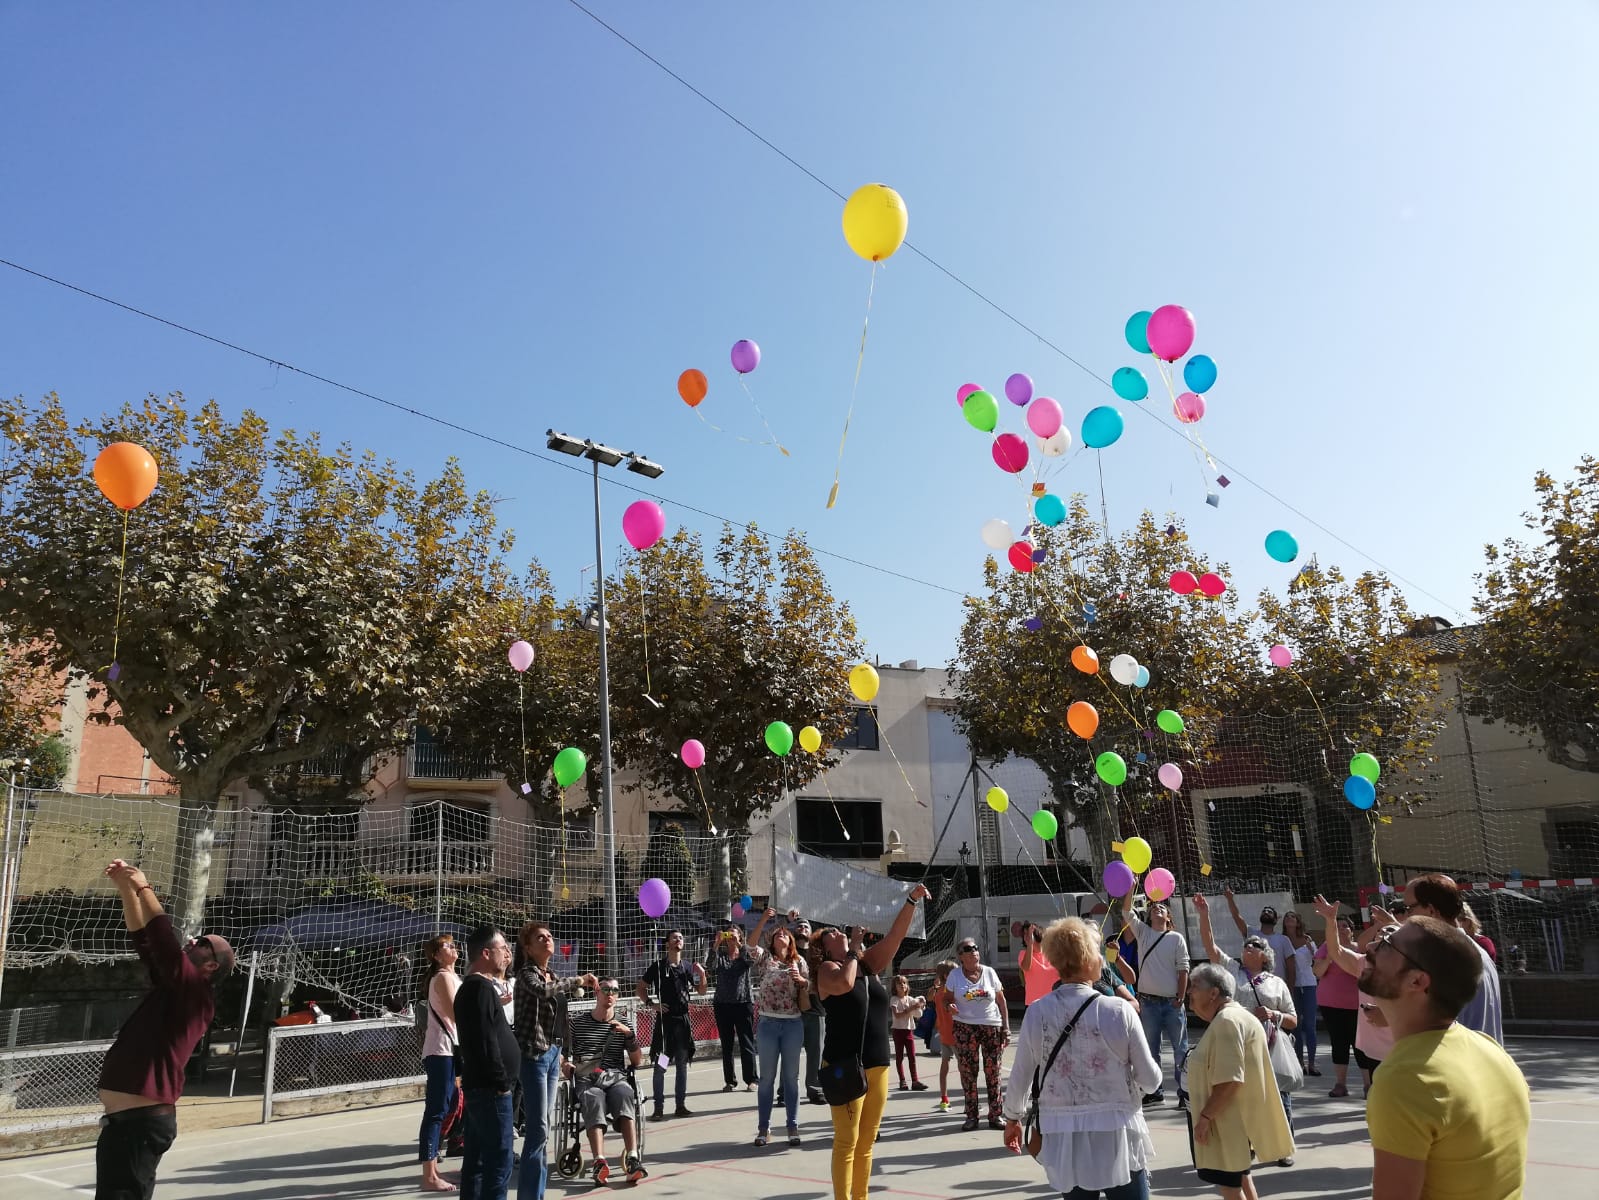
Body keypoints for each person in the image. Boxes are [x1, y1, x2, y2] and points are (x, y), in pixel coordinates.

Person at [1361, 916, 1530, 1200]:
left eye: (1388, 944)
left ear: (1417, 980)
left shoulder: (1405, 1081)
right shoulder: (1490, 1050)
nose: (1373, 946)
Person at [94, 859, 234, 1200]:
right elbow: (145, 941)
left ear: (210, 965)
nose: (193, 940)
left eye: (203, 942)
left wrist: (144, 887)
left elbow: (164, 943)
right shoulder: (175, 989)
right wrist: (127, 890)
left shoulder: (196, 994)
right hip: (128, 1124)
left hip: (139, 1124)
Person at [1001, 917, 1160, 1200]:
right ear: (1089, 959)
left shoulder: (1037, 1012)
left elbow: (1022, 1073)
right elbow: (1150, 1079)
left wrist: (1013, 1117)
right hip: (1116, 1130)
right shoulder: (1118, 1011)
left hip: (1063, 1132)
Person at [817, 882, 931, 1200]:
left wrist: (911, 901)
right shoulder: (826, 970)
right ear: (827, 949)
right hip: (844, 1065)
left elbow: (894, 939)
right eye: (835, 935)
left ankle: (861, 1197)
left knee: (867, 1143)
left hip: (877, 1065)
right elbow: (843, 984)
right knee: (846, 1141)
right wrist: (853, 949)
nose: (842, 932)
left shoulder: (868, 966)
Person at [1195, 895, 1298, 1166]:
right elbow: (1210, 946)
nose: (1248, 947)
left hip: (1271, 1045)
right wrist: (1203, 914)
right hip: (1239, 1046)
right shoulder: (1233, 973)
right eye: (1246, 945)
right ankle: (1247, 1144)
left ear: (1265, 955)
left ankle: (1284, 1146)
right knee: (1242, 1097)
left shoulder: (1276, 983)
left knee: (1279, 1095)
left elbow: (1293, 1020)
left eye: (1254, 945)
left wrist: (1274, 1014)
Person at [1184, 963, 1294, 1200]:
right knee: (1241, 1177)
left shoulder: (1227, 1021)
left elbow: (1230, 1080)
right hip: (1236, 1121)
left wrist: (1205, 1118)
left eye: (1194, 987)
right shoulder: (1237, 1016)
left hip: (1227, 1123)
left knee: (1231, 1189)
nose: (1189, 992)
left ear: (1213, 993)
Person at [513, 921, 597, 1200]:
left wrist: (563, 1055)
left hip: (551, 1055)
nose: (548, 939)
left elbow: (560, 1019)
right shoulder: (527, 974)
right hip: (533, 1055)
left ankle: (536, 1193)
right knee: (537, 1129)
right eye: (540, 937)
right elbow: (543, 991)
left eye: (549, 935)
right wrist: (577, 980)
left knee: (545, 1127)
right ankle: (529, 1195)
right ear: (528, 947)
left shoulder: (552, 973)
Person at [456, 926, 521, 1200]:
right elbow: (486, 1041)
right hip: (490, 1090)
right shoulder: (480, 988)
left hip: (480, 1087)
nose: (507, 953)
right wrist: (501, 1083)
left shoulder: (475, 988)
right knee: (498, 1161)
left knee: (477, 1159)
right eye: (502, 947)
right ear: (485, 953)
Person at [1401, 873, 1504, 1044]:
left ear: (1431, 911)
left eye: (1409, 909)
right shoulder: (1471, 949)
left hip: (1464, 1064)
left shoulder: (1447, 958)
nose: (1406, 917)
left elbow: (1434, 1028)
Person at [564, 978, 646, 1186]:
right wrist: (565, 1065)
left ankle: (633, 1158)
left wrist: (628, 1035)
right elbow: (563, 1054)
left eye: (614, 990)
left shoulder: (624, 1023)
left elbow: (637, 1061)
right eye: (606, 989)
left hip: (615, 1077)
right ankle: (599, 1162)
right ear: (596, 993)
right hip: (587, 1078)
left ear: (618, 996)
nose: (610, 994)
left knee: (626, 1093)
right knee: (593, 1097)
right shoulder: (578, 1023)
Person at [1114, 893, 1190, 1111]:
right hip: (1148, 1003)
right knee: (1150, 1049)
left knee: (1180, 1050)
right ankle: (1155, 1092)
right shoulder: (1143, 932)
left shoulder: (1177, 938)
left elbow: (1183, 969)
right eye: (1153, 907)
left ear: (1168, 917)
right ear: (1149, 916)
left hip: (1172, 1003)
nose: (1157, 908)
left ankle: (1185, 1093)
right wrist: (1130, 887)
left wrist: (1181, 997)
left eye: (1161, 908)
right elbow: (1126, 911)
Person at [1312, 896, 1393, 1094]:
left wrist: (1391, 923)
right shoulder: (1363, 962)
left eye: (1387, 935)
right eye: (1379, 934)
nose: (1380, 936)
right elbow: (1336, 950)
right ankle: (1351, 1086)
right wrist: (1330, 921)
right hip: (1375, 1050)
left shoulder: (1410, 968)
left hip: (1403, 1050)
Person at [747, 908, 812, 1145]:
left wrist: (802, 980)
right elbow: (750, 944)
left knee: (791, 1077)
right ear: (772, 942)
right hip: (768, 1023)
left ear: (791, 941)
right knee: (766, 1079)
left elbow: (809, 988)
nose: (781, 935)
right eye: (777, 934)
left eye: (785, 934)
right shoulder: (766, 959)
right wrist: (765, 919)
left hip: (793, 1024)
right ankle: (763, 1129)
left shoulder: (799, 961)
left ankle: (792, 1127)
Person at [637, 929, 707, 1120]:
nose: (678, 940)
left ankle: (680, 1106)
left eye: (681, 937)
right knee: (661, 1066)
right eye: (674, 937)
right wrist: (652, 1004)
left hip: (682, 1024)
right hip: (665, 1026)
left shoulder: (687, 967)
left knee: (682, 1066)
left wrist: (702, 975)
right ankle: (658, 1108)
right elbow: (640, 988)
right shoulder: (658, 967)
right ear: (667, 943)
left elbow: (701, 991)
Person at [944, 934, 1011, 1131]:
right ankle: (972, 1116)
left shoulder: (989, 973)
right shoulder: (955, 976)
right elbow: (945, 999)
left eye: (975, 948)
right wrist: (950, 1007)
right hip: (964, 1027)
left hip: (991, 1026)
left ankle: (996, 1115)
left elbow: (1001, 1001)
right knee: (968, 1072)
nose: (974, 951)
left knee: (993, 1071)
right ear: (960, 956)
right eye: (968, 949)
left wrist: (1005, 1028)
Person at [420, 933, 462, 1193]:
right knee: (436, 1111)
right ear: (436, 955)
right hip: (440, 1051)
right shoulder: (443, 977)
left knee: (446, 1106)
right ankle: (429, 1175)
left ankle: (433, 1169)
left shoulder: (453, 976)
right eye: (447, 945)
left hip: (449, 1050)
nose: (453, 947)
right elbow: (455, 1013)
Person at [1312, 913, 1361, 1098]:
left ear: (1351, 930)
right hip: (1331, 1004)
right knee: (1339, 1043)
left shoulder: (1359, 948)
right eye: (1337, 926)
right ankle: (1340, 1084)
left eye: (1345, 926)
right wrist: (1331, 957)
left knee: (1360, 1045)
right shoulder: (1325, 948)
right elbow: (1317, 972)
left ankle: (1368, 1085)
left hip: (1358, 1005)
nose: (1341, 929)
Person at [711, 925, 758, 1093]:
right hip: (722, 1005)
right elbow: (710, 966)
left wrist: (739, 945)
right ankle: (730, 1080)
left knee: (746, 1042)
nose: (730, 937)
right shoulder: (721, 956)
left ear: (740, 936)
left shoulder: (743, 954)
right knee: (727, 1044)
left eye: (734, 934)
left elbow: (750, 961)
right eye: (728, 934)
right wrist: (716, 944)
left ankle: (751, 1079)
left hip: (743, 1002)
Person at [1220, 889, 1297, 990]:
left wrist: (1289, 990)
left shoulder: (1284, 939)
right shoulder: (1252, 933)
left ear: (1275, 919)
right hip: (1254, 988)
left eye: (1269, 912)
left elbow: (1291, 969)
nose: (1266, 912)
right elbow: (1236, 917)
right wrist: (1230, 899)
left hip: (1276, 988)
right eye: (1264, 911)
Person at [791, 914, 827, 1105]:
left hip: (816, 1010)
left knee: (816, 1054)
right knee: (790, 1054)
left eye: (806, 926)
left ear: (811, 932)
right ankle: (785, 1092)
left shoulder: (817, 955)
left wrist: (807, 983)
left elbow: (824, 980)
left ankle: (815, 1090)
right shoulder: (788, 952)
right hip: (792, 1011)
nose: (802, 928)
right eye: (799, 926)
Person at [1280, 912, 1319, 1074]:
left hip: (1309, 985)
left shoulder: (1307, 940)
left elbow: (1317, 960)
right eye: (1286, 917)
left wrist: (1311, 949)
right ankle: (1299, 1063)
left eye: (1293, 917)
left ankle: (1312, 1063)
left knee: (1310, 1025)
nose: (1289, 919)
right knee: (1295, 1026)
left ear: (1298, 922)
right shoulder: (1281, 941)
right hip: (1292, 986)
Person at [888, 975, 926, 1091]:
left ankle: (915, 1081)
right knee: (899, 1057)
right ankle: (902, 1081)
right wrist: (910, 1009)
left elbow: (918, 1014)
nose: (902, 985)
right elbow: (897, 1015)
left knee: (912, 1057)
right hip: (898, 1031)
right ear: (894, 986)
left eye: (904, 983)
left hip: (908, 1031)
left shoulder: (910, 999)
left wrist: (920, 1006)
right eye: (899, 983)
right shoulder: (894, 999)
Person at [929, 960, 958, 1112]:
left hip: (945, 1034)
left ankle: (944, 1099)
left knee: (944, 1066)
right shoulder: (950, 992)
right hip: (955, 1035)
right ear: (947, 975)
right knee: (965, 1069)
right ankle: (969, 1100)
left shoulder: (938, 992)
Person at [1019, 921, 1059, 1006]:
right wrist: (1030, 944)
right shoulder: (1023, 954)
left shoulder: (1052, 954)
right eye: (1024, 934)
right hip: (1033, 1004)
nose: (1026, 937)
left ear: (1037, 934)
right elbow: (1026, 967)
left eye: (1028, 933)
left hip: (1053, 1003)